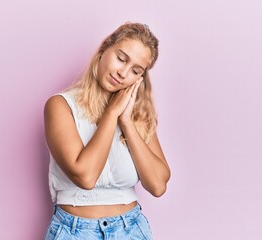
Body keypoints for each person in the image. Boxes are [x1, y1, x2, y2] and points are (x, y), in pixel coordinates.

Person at [43, 22, 170, 240]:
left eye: (135, 71)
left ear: (139, 80)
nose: (123, 73)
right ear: (104, 50)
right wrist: (111, 115)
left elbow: (158, 185)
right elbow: (86, 176)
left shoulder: (136, 116)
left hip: (131, 229)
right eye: (121, 58)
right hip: (74, 231)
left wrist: (127, 122)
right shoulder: (60, 106)